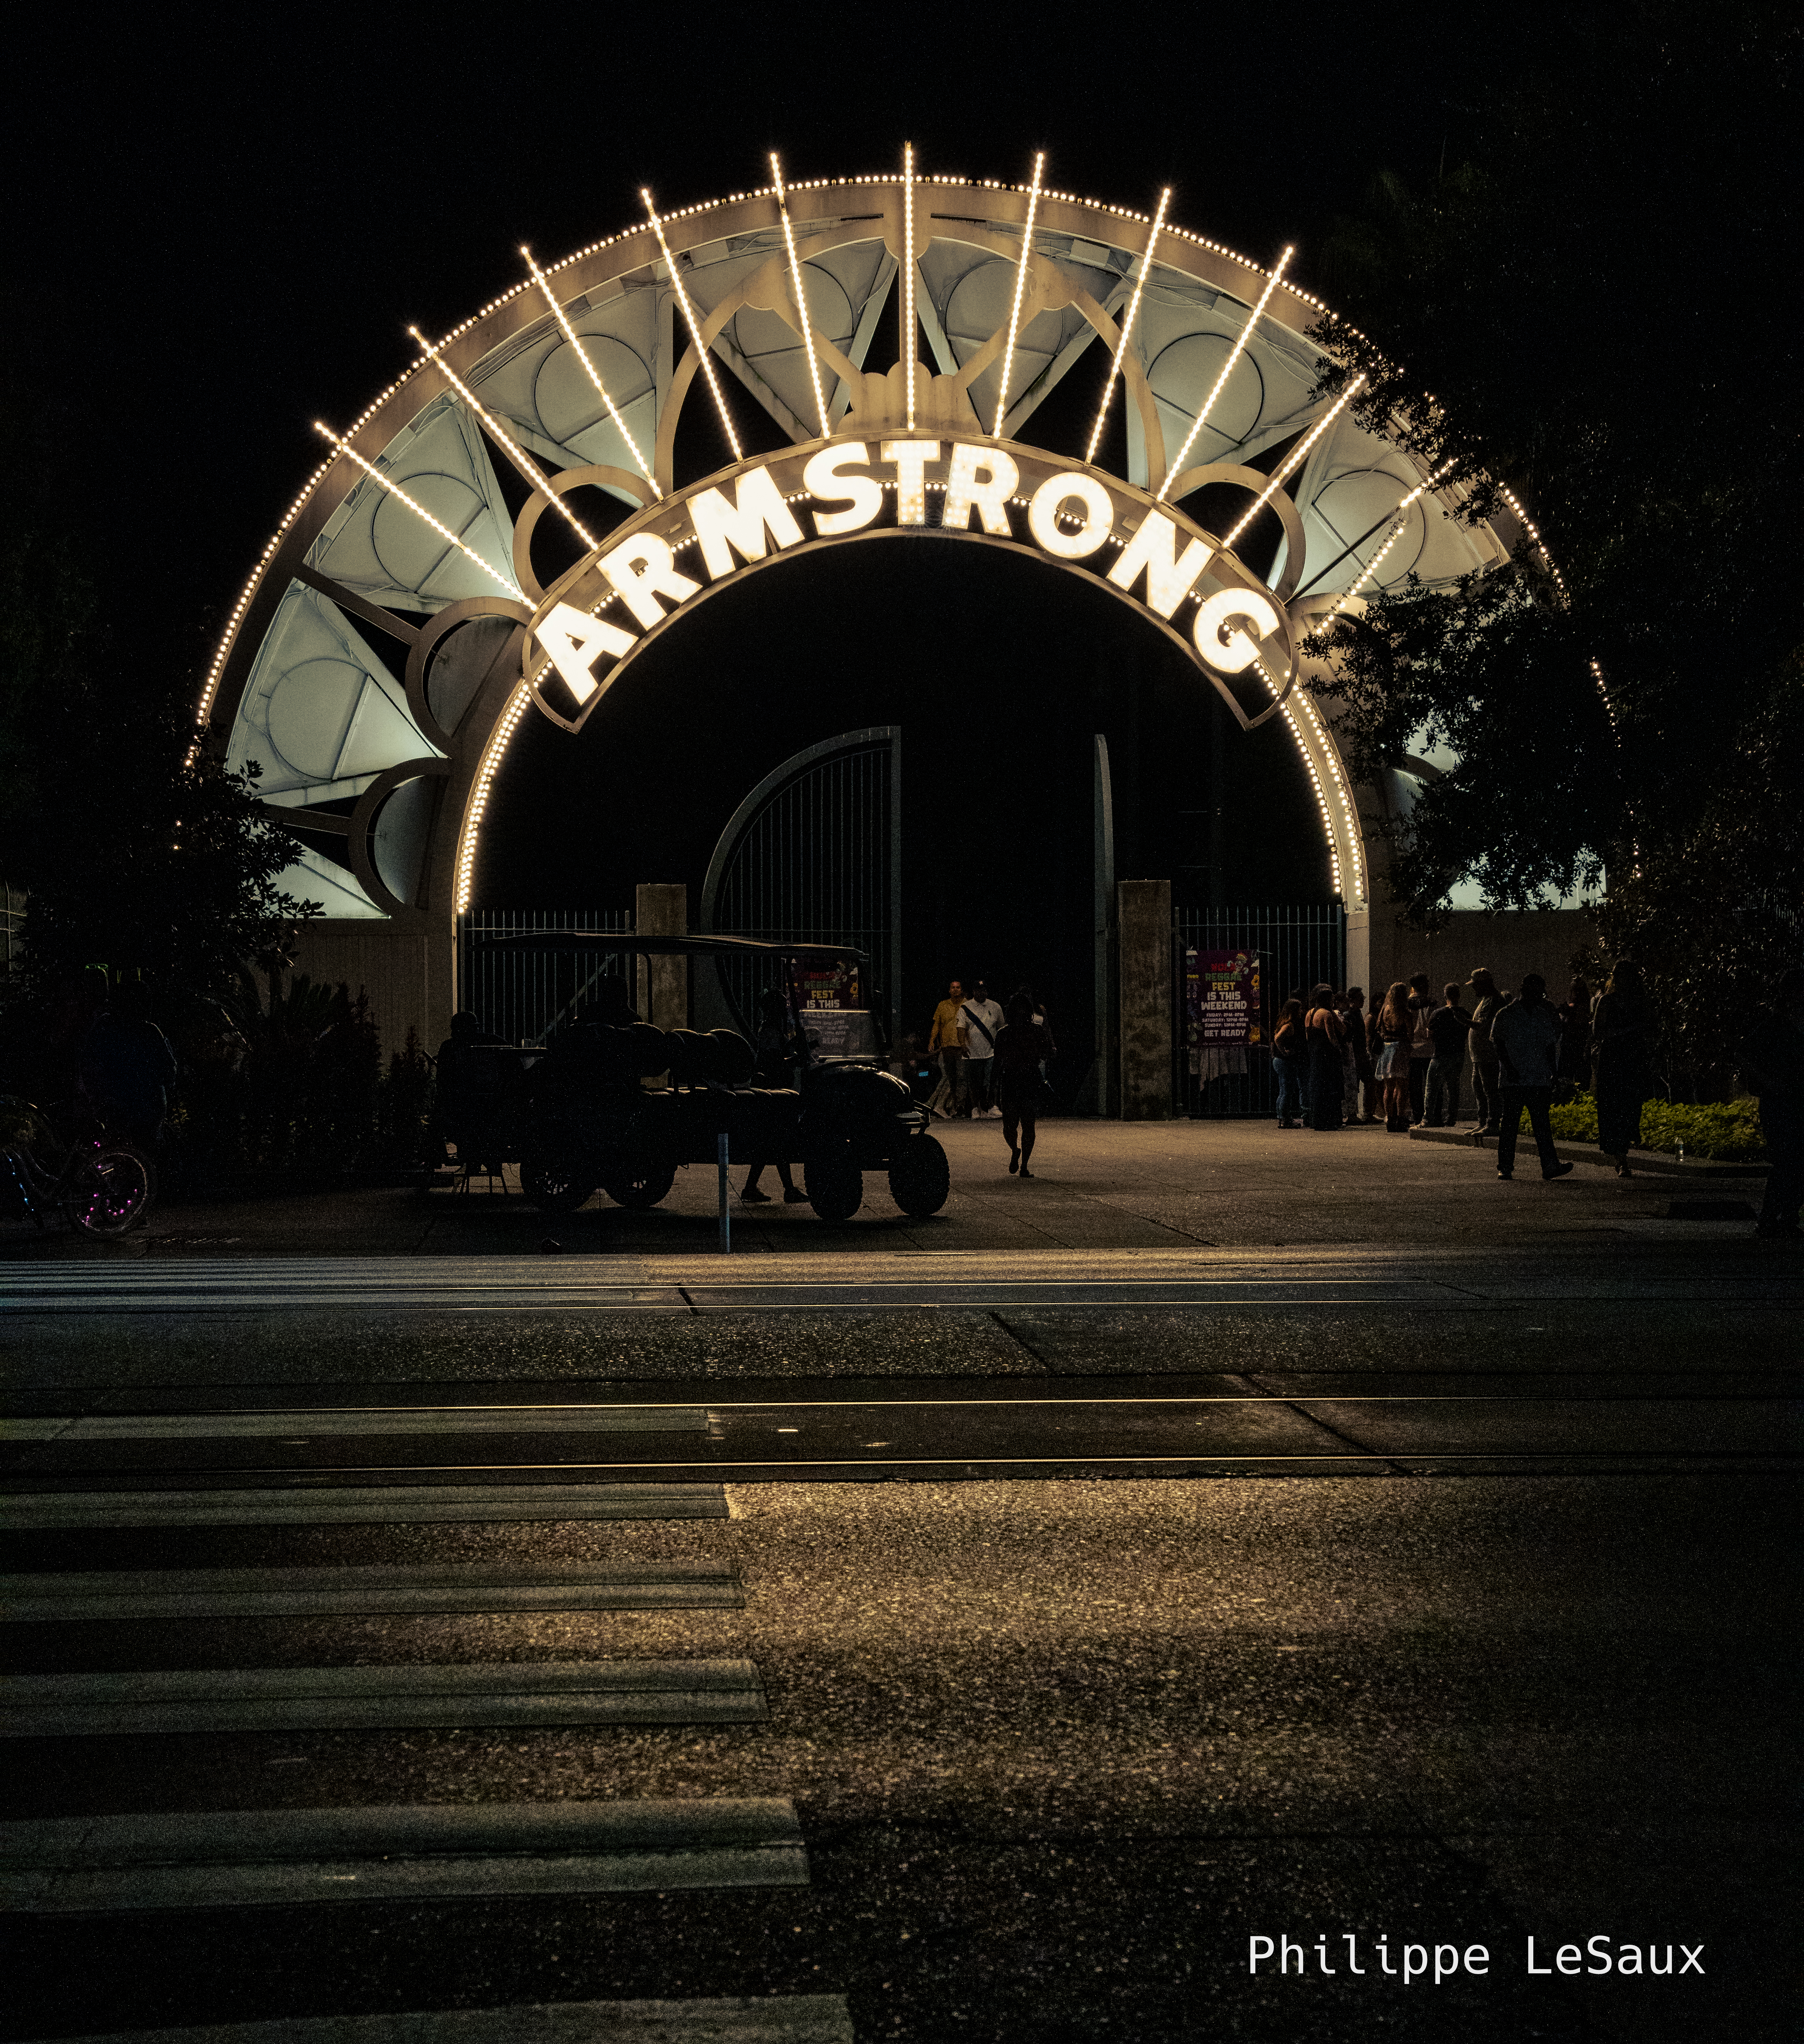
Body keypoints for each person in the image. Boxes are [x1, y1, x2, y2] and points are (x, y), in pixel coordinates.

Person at [1490, 973, 1575, 1182]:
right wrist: (1509, 1068)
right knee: (1512, 1124)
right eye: (1537, 991)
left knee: (1540, 1124)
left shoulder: (1540, 1015)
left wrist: (1553, 1071)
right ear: (1524, 990)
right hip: (1516, 1078)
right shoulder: (1506, 1014)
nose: (1540, 996)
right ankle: (1507, 1166)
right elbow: (1499, 1044)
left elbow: (1548, 1047)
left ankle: (1548, 1165)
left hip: (1537, 1077)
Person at [1739, 965, 1804, 1240]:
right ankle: (1771, 1217)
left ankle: (1786, 1215)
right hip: (1779, 1101)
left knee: (1795, 1160)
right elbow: (1744, 1053)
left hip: (1796, 1098)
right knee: (1786, 1159)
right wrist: (1769, 1082)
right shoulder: (1776, 1025)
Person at [80, 981, 178, 1153]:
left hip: (114, 1104)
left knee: (112, 1155)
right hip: (147, 1105)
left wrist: (96, 1099)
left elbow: (87, 1066)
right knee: (146, 1155)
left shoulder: (103, 1027)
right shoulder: (150, 1031)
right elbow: (169, 1072)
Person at [1590, 960, 1657, 1176]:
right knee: (1614, 1106)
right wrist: (1627, 1031)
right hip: (1614, 1058)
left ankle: (1623, 1152)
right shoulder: (1607, 1001)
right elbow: (1598, 1033)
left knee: (1630, 1106)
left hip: (1634, 1058)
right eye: (1617, 975)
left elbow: (1650, 1029)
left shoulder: (1640, 1001)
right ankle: (1621, 1158)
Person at [741, 988, 809, 1204]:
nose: (784, 1009)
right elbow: (772, 1062)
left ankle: (753, 1188)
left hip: (775, 1092)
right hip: (772, 1093)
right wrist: (795, 1060)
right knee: (776, 1139)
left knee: (770, 1143)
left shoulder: (775, 1029)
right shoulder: (770, 1031)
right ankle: (787, 1190)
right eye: (781, 1006)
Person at [994, 992, 1051, 1178]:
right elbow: (997, 1062)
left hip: (1020, 1079)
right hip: (1020, 1079)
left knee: (1022, 1125)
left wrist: (992, 1088)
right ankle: (1019, 1156)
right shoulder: (1011, 1033)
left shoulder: (1027, 1031)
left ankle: (1021, 1159)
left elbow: (997, 1063)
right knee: (1018, 1126)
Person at [1424, 982, 1472, 1126]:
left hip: (1440, 1054)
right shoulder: (1466, 1014)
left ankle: (1427, 1119)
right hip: (1458, 1054)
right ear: (1459, 996)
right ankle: (1451, 1119)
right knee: (1453, 1087)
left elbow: (1430, 1035)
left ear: (1445, 996)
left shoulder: (1438, 1014)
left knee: (1432, 1088)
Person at [1467, 969, 1506, 1140]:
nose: (1474, 989)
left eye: (1475, 985)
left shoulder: (1494, 1001)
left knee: (1490, 1090)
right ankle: (1483, 1122)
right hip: (1480, 1056)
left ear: (1484, 984)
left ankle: (1492, 1124)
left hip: (1488, 1055)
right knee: (1480, 1089)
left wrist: (1463, 1020)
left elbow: (1484, 1026)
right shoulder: (1486, 1000)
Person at [959, 980, 1005, 1117]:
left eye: (984, 990)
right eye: (979, 990)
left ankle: (992, 1106)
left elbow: (1001, 1028)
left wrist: (1001, 1048)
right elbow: (961, 1028)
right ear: (974, 992)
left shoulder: (995, 1006)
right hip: (972, 1053)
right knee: (974, 1082)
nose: (982, 993)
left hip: (991, 1052)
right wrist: (963, 1045)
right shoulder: (965, 1007)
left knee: (992, 1080)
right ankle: (975, 1108)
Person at [1372, 982, 1414, 1132]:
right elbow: (1410, 1035)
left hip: (1386, 1049)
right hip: (1400, 1049)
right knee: (1402, 1087)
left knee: (1388, 1088)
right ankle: (1401, 1119)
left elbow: (1379, 1029)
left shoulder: (1384, 1011)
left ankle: (1390, 1119)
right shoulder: (1405, 1013)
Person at [1304, 985, 1345, 1130]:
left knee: (1317, 1085)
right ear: (1328, 999)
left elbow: (1309, 1036)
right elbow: (1335, 1034)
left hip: (1315, 1053)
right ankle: (1330, 1120)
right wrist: (1338, 1048)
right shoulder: (1327, 1014)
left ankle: (1317, 1120)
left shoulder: (1309, 1013)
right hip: (1328, 1054)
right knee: (1330, 1086)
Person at [927, 979, 968, 1118]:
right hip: (947, 1047)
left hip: (962, 1047)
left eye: (958, 987)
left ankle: (958, 1108)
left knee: (962, 1078)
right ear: (950, 990)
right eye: (953, 987)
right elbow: (937, 1025)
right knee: (950, 1078)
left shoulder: (967, 1005)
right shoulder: (943, 1005)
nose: (956, 989)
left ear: (962, 990)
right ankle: (943, 1106)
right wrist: (932, 1041)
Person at [1406, 972, 1436, 1126]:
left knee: (1415, 1087)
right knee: (1432, 1085)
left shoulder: (1406, 1004)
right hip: (1429, 1048)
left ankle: (1418, 1116)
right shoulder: (1431, 1003)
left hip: (1412, 1049)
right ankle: (1432, 1115)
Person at [1555, 977, 1592, 1100]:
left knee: (1577, 1080)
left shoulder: (1584, 1007)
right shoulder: (1579, 1006)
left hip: (1577, 1045)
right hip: (1573, 1046)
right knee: (1570, 1080)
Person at [1344, 987, 1378, 1121]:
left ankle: (1366, 1113)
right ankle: (1353, 1114)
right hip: (1356, 1055)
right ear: (1352, 1000)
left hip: (1361, 1054)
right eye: (1361, 998)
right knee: (1355, 1085)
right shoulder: (1349, 1015)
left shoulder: (1358, 1014)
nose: (1363, 1001)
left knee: (1369, 1082)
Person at [1272, 997, 1306, 1128]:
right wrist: (1284, 1052)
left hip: (1280, 1061)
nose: (1302, 1011)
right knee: (1287, 1091)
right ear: (1294, 1010)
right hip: (1285, 1062)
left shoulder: (1283, 1022)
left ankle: (1282, 1118)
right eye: (1300, 1009)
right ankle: (1285, 1119)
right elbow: (1277, 1039)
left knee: (1283, 1091)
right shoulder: (1290, 1025)